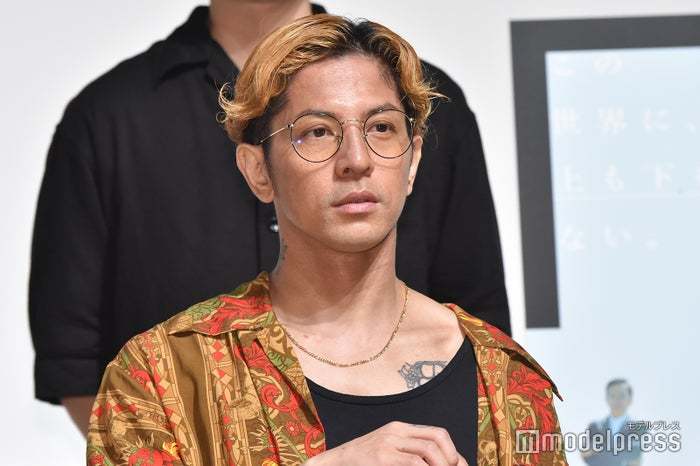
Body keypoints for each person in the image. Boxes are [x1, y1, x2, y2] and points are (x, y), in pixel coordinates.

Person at [86, 15, 566, 466]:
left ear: (413, 160)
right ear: (257, 171)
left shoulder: (507, 378)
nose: (356, 159)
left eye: (381, 127)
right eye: (317, 132)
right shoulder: (162, 375)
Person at [581, 379, 646, 466]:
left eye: (621, 395)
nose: (617, 400)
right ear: (607, 399)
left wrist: (601, 449)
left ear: (630, 399)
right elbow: (585, 454)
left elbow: (635, 457)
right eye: (613, 396)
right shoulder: (594, 427)